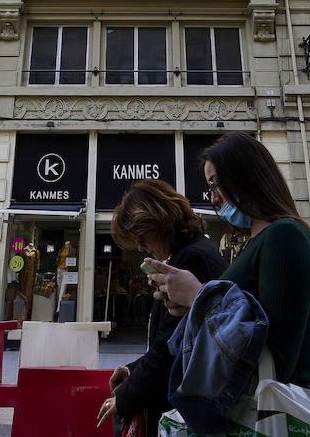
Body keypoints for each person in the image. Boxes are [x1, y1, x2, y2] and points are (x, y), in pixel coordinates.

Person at [147, 132, 310, 389]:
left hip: (278, 411)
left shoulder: (285, 236)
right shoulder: (257, 242)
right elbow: (244, 320)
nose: (213, 199)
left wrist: (199, 297)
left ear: (248, 175)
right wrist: (190, 307)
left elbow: (275, 357)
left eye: (215, 184)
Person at [97, 179, 228, 434]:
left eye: (141, 237)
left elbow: (170, 350)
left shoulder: (190, 259)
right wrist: (132, 371)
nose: (140, 247)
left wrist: (124, 399)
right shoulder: (191, 253)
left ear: (157, 222)